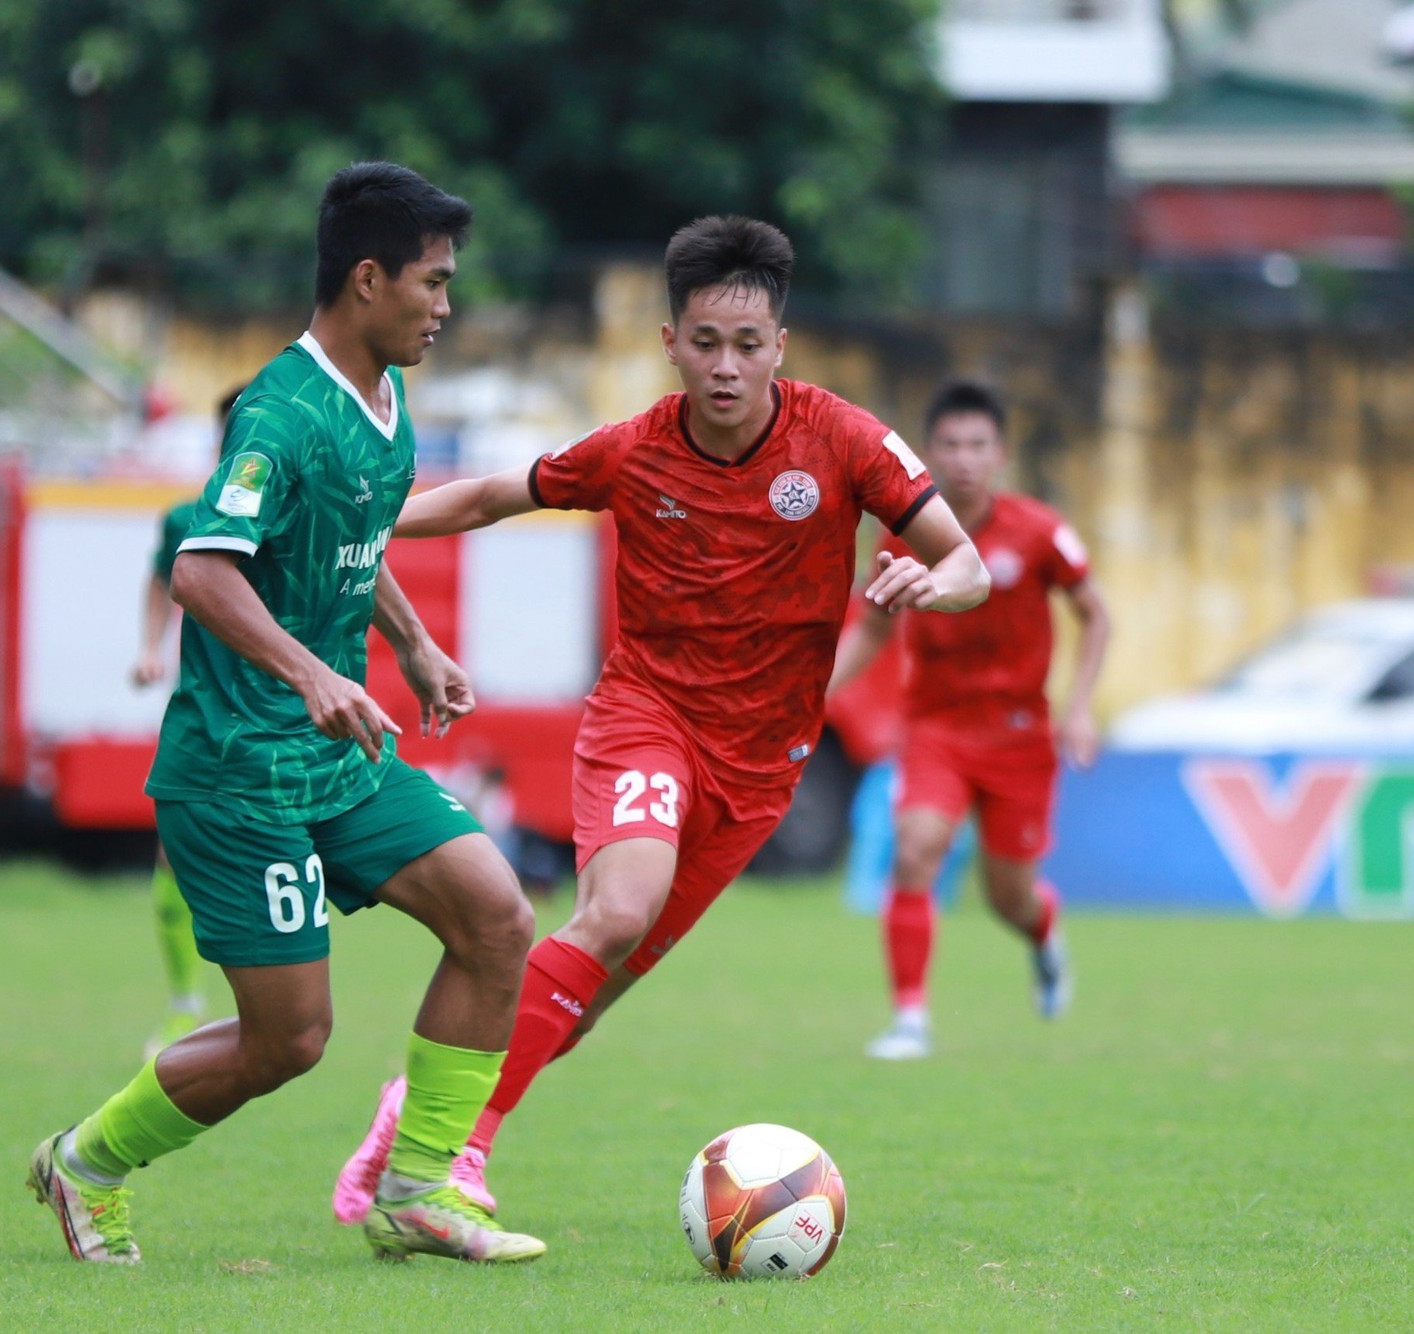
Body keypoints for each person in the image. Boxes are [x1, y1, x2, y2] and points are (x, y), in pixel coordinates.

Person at [333, 215, 989, 1220]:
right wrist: (360, 516)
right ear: (670, 343)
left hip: (761, 763)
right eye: (704, 342)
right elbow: (486, 497)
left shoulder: (845, 439)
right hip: (647, 717)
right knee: (614, 911)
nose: (725, 366)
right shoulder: (633, 449)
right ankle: (450, 1152)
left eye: (747, 344)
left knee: (585, 1000)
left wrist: (923, 584)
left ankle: (408, 1113)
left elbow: (964, 563)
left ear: (780, 345)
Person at [27, 162, 546, 1267]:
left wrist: (409, 642)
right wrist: (315, 673)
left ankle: (417, 1184)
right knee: (289, 1038)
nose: (446, 307)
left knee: (496, 915)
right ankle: (85, 1162)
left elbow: (353, 535)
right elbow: (203, 572)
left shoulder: (387, 395)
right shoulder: (279, 410)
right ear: (368, 279)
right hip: (238, 766)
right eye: (433, 283)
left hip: (340, 756)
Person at [828, 380, 1111, 1060]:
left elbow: (1095, 612)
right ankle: (910, 1019)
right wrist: (815, 693)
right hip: (936, 728)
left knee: (1008, 897)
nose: (963, 458)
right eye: (950, 445)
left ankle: (1043, 934)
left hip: (1018, 735)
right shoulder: (903, 531)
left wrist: (1078, 709)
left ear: (1000, 454)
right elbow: (871, 624)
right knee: (915, 849)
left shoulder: (1039, 532)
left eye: (977, 445)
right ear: (929, 454)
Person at [129, 389, 247, 1060]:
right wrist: (150, 648)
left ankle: (269, 1007)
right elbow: (160, 582)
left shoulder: (302, 505)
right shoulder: (188, 518)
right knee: (174, 851)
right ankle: (184, 1007)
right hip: (204, 713)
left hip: (285, 715)